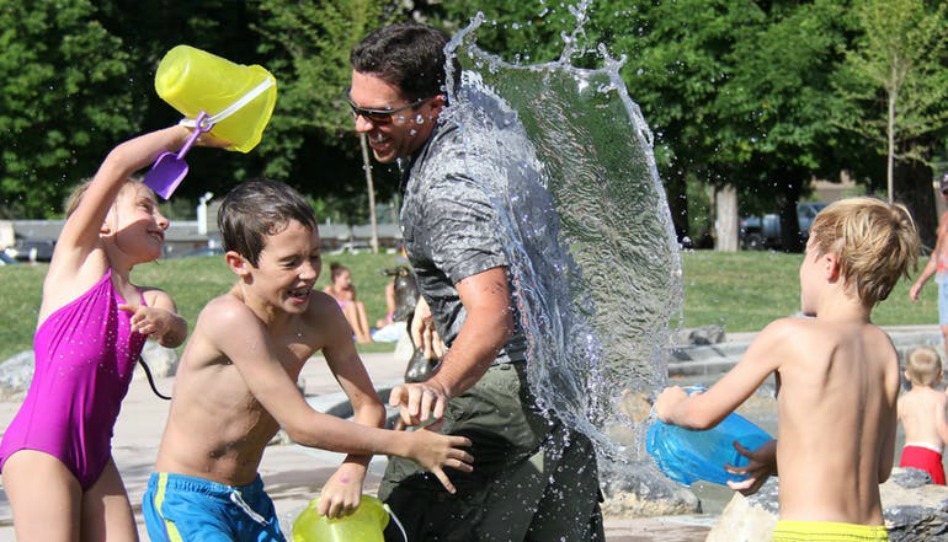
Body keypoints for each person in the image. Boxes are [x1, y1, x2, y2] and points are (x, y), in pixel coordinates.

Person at [349, 22, 604, 541]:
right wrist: (434, 291)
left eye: (378, 115)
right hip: (564, 378)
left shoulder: (448, 186)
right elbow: (506, 242)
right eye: (356, 108)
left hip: (497, 388)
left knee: (404, 523)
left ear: (433, 105)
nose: (361, 127)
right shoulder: (490, 119)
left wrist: (438, 383)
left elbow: (491, 315)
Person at [142, 180, 472, 542]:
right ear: (239, 263)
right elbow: (300, 425)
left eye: (314, 256)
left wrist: (352, 470)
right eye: (290, 262)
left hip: (249, 498)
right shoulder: (229, 318)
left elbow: (367, 406)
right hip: (188, 500)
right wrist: (408, 446)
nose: (309, 272)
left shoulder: (322, 314)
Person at [655, 197, 919, 542]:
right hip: (871, 533)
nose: (800, 271)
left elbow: (703, 414)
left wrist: (671, 406)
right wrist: (780, 454)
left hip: (807, 534)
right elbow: (879, 468)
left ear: (829, 265)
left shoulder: (789, 335)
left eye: (805, 257)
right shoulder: (884, 350)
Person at [0, 126, 200, 541]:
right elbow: (118, 163)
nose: (162, 218)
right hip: (41, 446)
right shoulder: (79, 262)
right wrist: (184, 132)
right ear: (104, 222)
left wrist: (165, 324)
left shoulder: (151, 297)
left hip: (97, 454)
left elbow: (177, 330)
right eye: (147, 207)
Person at [909, 174, 948, 358]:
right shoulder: (945, 219)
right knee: (946, 331)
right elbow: (936, 256)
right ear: (942, 194)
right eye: (947, 192)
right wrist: (919, 283)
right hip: (944, 280)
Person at [897, 346, 948, 485]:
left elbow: (887, 426)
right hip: (929, 457)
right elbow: (941, 427)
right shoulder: (939, 398)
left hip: (907, 456)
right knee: (937, 501)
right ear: (939, 375)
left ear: (907, 374)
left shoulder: (903, 401)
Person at [323, 261, 373, 343]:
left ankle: (367, 335)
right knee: (351, 305)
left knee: (359, 304)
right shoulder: (329, 291)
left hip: (349, 325)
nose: (349, 281)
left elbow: (354, 313)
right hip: (336, 324)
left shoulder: (350, 290)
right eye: (346, 278)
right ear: (337, 278)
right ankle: (359, 335)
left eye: (349, 278)